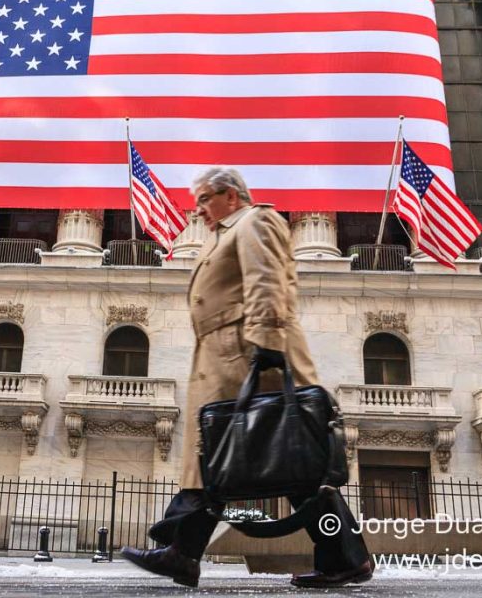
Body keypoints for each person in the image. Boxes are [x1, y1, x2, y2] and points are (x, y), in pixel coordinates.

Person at [121, 167, 372, 589]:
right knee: (225, 460)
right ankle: (184, 553)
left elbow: (269, 280)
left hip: (251, 356)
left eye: (204, 199)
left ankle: (343, 558)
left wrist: (268, 341)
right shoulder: (222, 233)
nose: (197, 209)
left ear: (230, 196)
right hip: (223, 357)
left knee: (288, 465)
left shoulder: (255, 220)